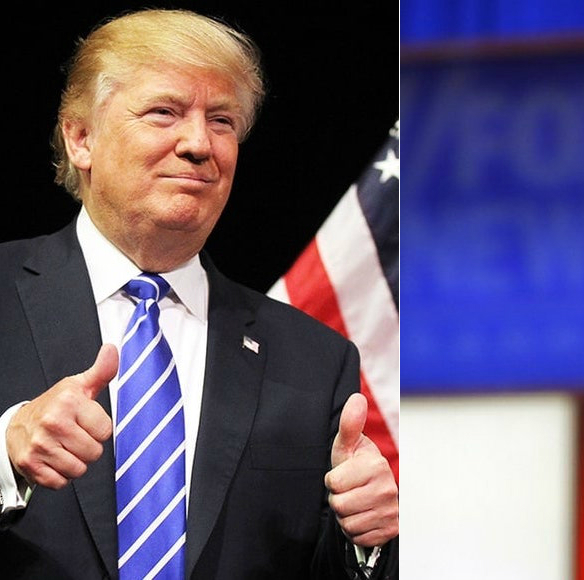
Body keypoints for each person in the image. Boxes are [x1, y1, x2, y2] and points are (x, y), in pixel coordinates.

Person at [0, 9, 398, 579]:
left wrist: (371, 540)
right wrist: (5, 455)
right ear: (81, 137)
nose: (198, 144)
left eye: (222, 122)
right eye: (164, 112)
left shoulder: (315, 359)